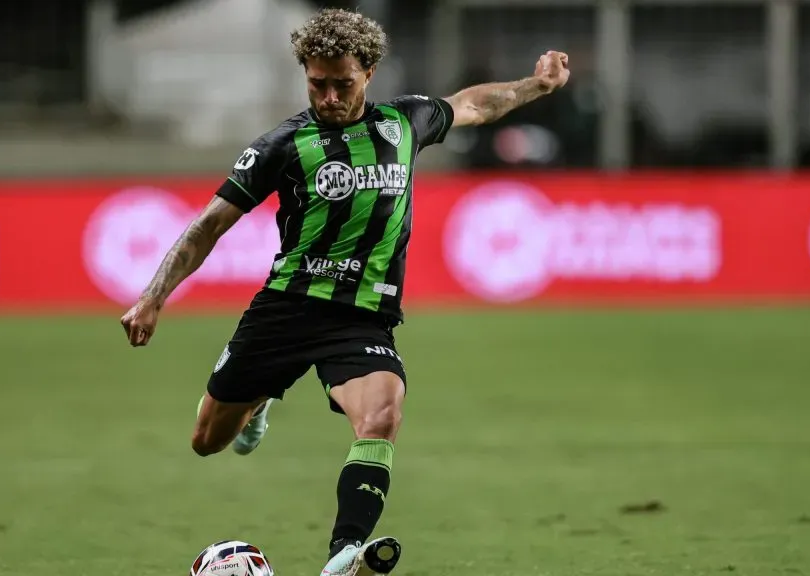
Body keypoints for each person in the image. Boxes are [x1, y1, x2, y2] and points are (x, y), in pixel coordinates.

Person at [120, 8, 569, 576]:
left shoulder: (405, 123)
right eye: (317, 83)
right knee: (207, 441)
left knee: (383, 414)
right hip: (286, 309)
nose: (329, 96)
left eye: (343, 83)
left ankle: (345, 551)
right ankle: (261, 398)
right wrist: (153, 295)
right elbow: (210, 224)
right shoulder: (282, 145)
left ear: (370, 72)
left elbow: (475, 103)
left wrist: (537, 84)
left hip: (361, 317)